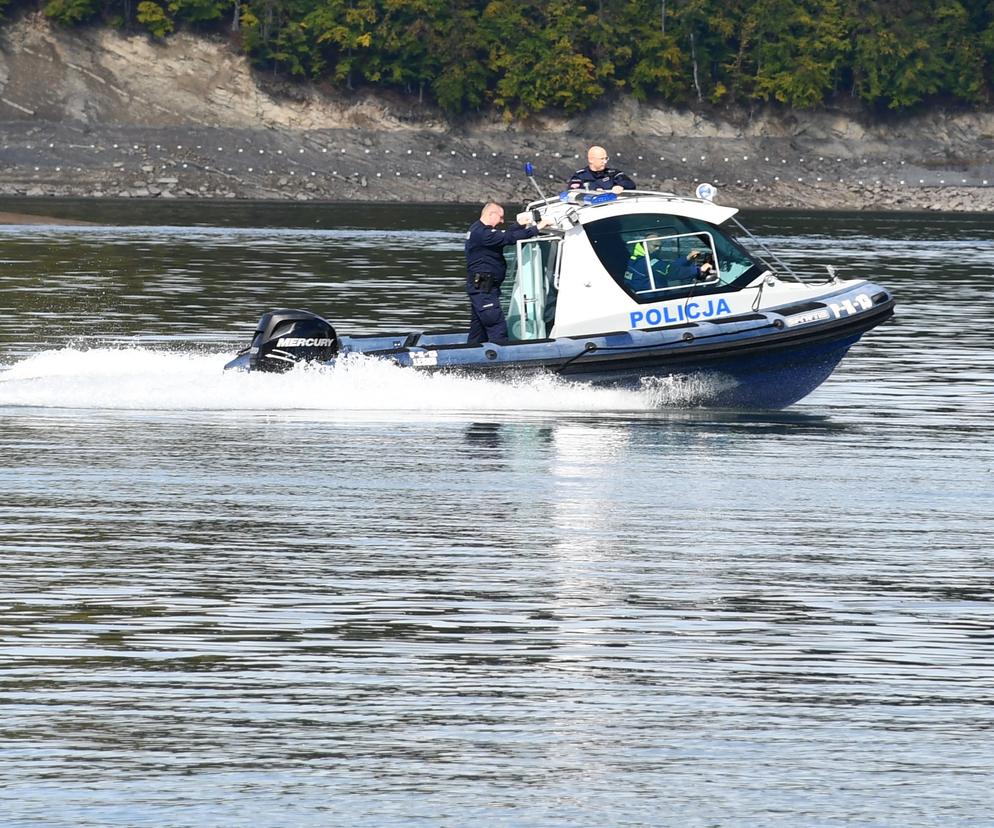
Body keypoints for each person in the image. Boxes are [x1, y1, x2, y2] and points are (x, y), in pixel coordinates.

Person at [464, 202, 548, 345]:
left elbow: (503, 236)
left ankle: (470, 356)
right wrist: (536, 229)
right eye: (501, 217)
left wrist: (518, 225)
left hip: (483, 287)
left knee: (478, 329)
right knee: (496, 325)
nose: (502, 221)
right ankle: (505, 362)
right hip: (484, 288)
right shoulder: (483, 234)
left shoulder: (478, 229)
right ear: (491, 214)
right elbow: (508, 238)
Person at [567, 146, 636, 193]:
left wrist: (621, 187)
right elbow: (573, 191)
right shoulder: (580, 176)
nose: (605, 162)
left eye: (606, 158)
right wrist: (593, 191)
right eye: (602, 159)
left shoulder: (613, 173)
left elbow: (630, 184)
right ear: (591, 160)